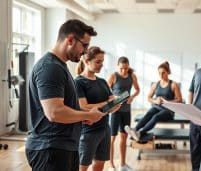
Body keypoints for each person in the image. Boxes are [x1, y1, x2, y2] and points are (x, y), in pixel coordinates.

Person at [25, 19, 104, 171]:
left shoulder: (60, 66)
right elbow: (54, 112)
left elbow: (65, 107)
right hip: (50, 149)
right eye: (84, 45)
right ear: (70, 40)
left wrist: (86, 114)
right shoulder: (50, 67)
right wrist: (85, 115)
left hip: (64, 146)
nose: (85, 51)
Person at [75, 46, 121, 171]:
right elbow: (83, 106)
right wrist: (107, 102)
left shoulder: (102, 82)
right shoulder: (79, 82)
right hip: (88, 131)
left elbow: (111, 103)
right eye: (98, 62)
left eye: (102, 62)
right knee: (82, 167)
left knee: (99, 165)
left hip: (105, 129)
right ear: (86, 61)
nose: (101, 65)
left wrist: (115, 105)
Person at [125, 61, 183, 141]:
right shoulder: (156, 84)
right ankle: (134, 130)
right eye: (159, 73)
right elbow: (149, 97)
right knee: (149, 113)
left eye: (163, 73)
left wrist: (167, 101)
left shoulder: (173, 84)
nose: (161, 75)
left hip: (168, 110)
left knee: (156, 117)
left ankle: (140, 133)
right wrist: (155, 101)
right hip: (157, 107)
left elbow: (180, 100)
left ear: (168, 72)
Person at [107, 57, 140, 171]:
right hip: (115, 111)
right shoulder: (113, 76)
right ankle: (111, 165)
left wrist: (132, 97)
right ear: (118, 66)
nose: (124, 71)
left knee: (124, 137)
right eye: (121, 68)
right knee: (112, 138)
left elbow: (137, 89)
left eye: (126, 68)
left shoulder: (132, 76)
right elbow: (105, 91)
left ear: (128, 66)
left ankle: (122, 164)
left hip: (127, 111)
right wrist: (114, 98)